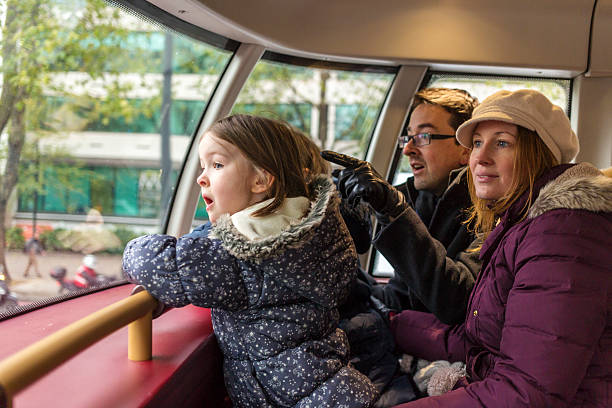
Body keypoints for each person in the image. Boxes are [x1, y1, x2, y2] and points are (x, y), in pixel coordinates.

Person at [122, 114, 379, 408]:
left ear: (260, 180)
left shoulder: (245, 252)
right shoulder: (306, 233)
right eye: (202, 166)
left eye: (216, 165)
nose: (200, 177)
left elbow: (155, 262)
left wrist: (134, 252)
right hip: (333, 391)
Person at [390, 89, 612, 406]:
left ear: (539, 153)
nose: (480, 156)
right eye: (477, 142)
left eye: (502, 142)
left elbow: (526, 393)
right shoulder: (519, 224)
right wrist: (392, 325)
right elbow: (478, 341)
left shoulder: (565, 234)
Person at [325, 87, 482, 325]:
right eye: (408, 137)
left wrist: (394, 210)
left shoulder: (490, 213)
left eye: (423, 136)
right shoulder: (419, 198)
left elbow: (457, 302)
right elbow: (399, 299)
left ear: (465, 149)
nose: (408, 149)